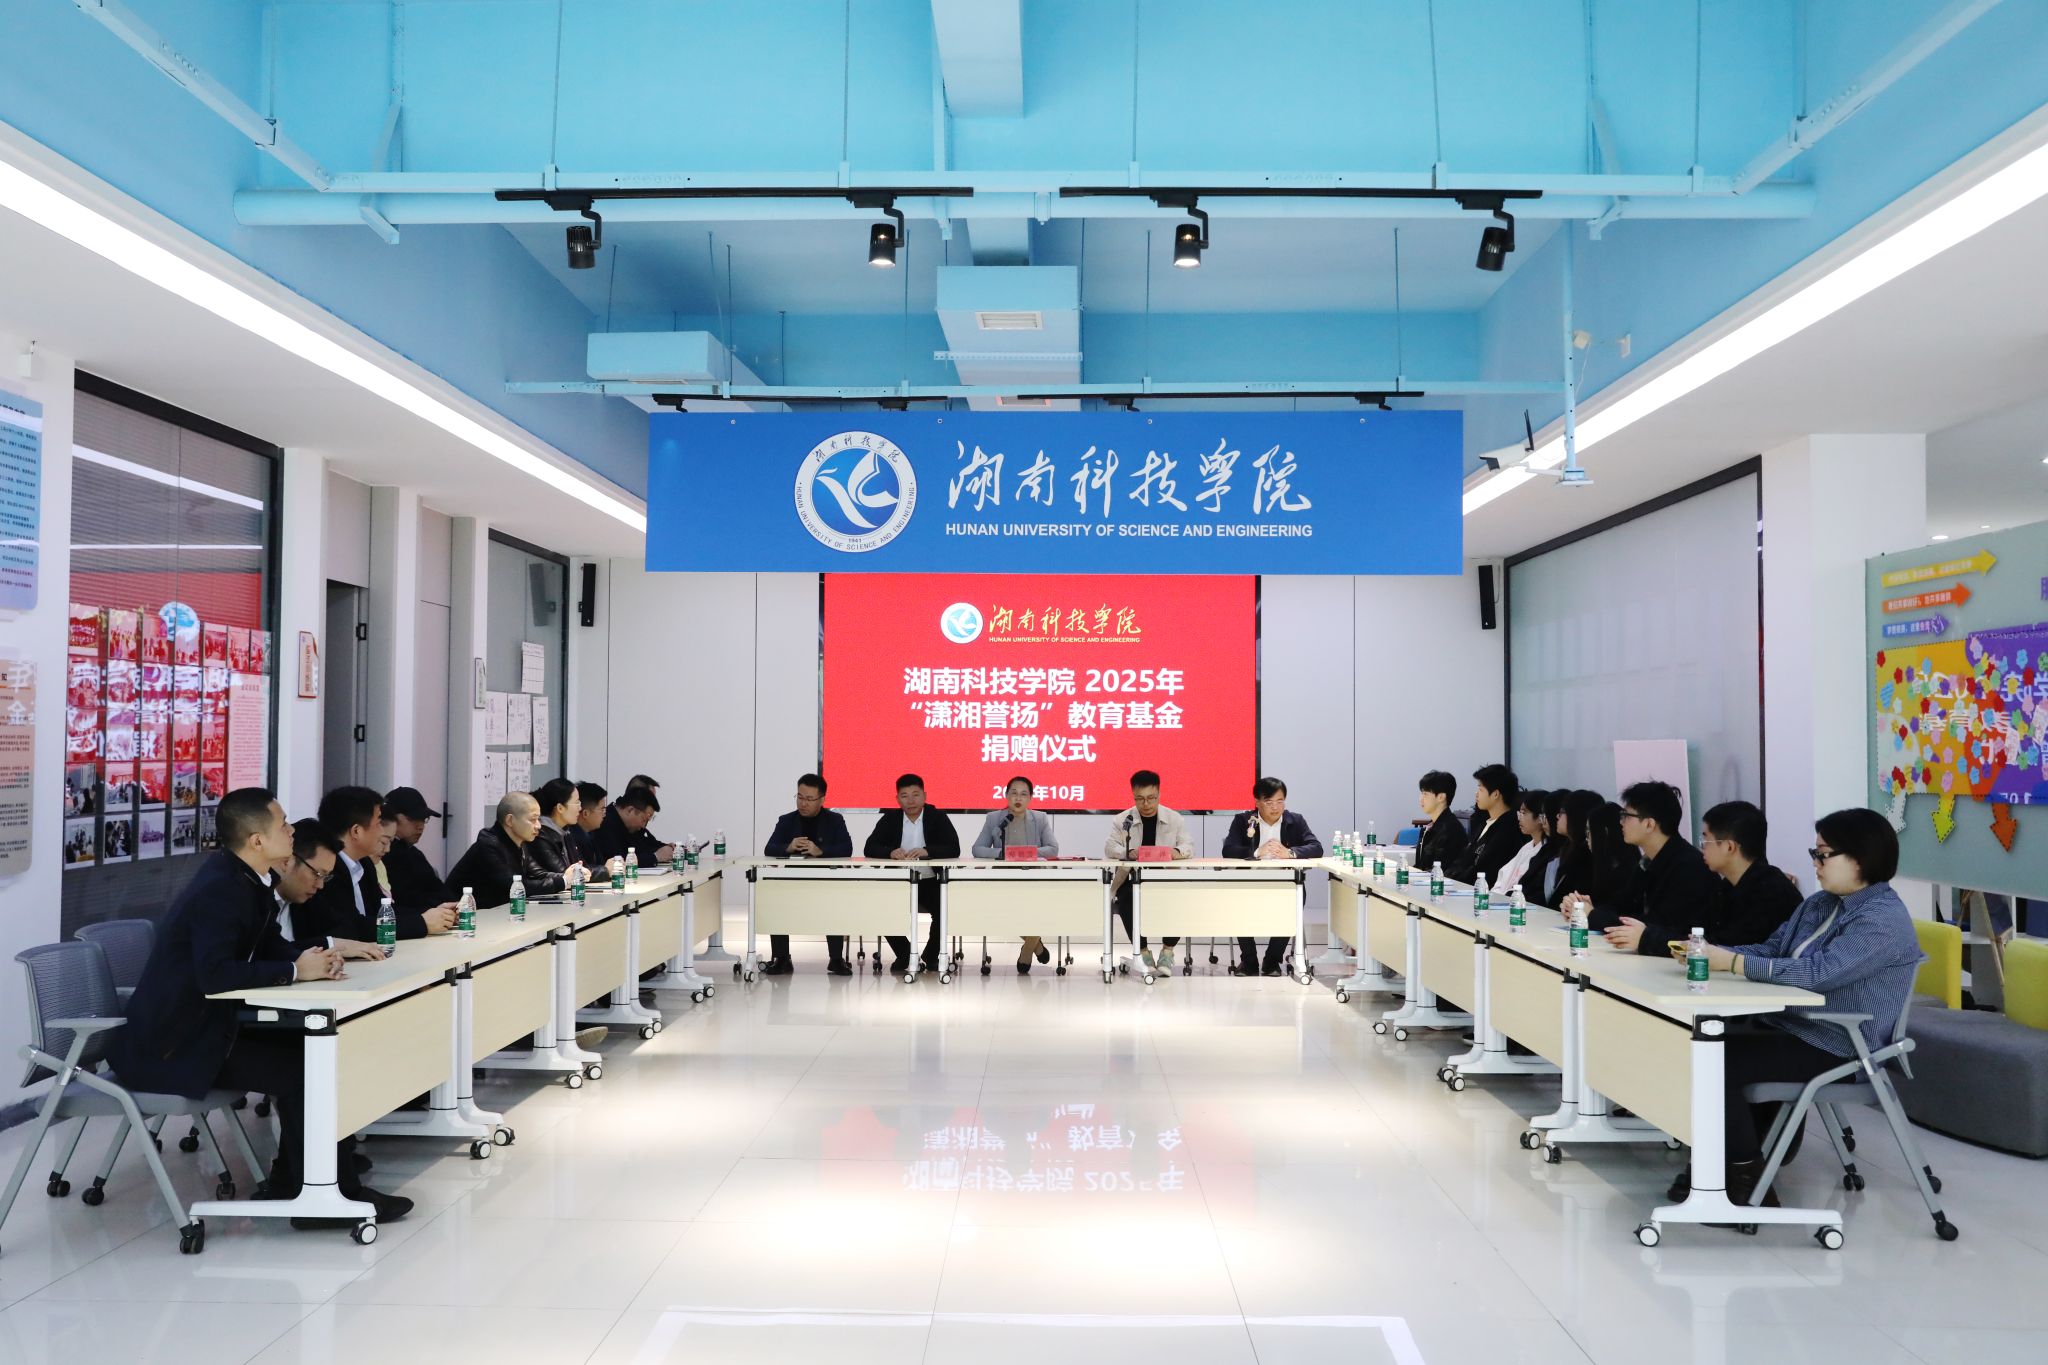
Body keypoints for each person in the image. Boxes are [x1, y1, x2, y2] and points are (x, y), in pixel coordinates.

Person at [110, 787, 411, 1228]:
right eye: (283, 825)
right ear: (256, 840)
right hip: (175, 1043)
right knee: (307, 1069)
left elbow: (271, 946)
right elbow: (216, 975)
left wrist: (311, 961)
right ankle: (327, 1197)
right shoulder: (221, 889)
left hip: (210, 1027)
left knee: (325, 1050)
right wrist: (294, 972)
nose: (291, 831)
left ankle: (298, 1183)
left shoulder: (249, 881)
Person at [1677, 808, 1924, 1213]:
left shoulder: (1882, 920)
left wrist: (1733, 963)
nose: (1815, 863)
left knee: (1715, 1062)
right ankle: (1714, 1167)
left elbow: (1817, 974)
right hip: (1791, 1025)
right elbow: (1773, 949)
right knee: (1695, 1044)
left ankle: (1747, 1181)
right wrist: (1711, 953)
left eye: (1824, 854)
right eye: (1816, 853)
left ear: (1860, 859)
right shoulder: (1820, 904)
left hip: (1840, 1044)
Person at [304, 786, 456, 943]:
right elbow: (353, 927)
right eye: (378, 823)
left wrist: (433, 914)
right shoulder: (328, 871)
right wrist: (422, 922)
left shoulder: (364, 864)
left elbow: (383, 912)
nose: (381, 830)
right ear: (356, 831)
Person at [1593, 781, 1724, 949]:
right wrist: (1589, 911)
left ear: (1649, 824)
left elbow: (1658, 926)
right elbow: (1622, 905)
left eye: (1626, 816)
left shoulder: (1689, 867)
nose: (1621, 822)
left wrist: (1593, 915)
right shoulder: (1647, 861)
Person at [1222, 776, 1323, 976]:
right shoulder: (1243, 820)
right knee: (1236, 900)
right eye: (1269, 802)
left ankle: (1272, 960)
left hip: (1285, 883)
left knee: (1295, 900)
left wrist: (1290, 853)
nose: (1275, 807)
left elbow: (1316, 847)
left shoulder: (1295, 821)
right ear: (1257, 802)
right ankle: (1249, 961)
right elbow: (1228, 850)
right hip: (1248, 882)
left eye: (1280, 801)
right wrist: (1256, 852)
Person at [863, 772, 961, 974]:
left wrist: (928, 851)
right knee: (882, 911)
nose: (911, 801)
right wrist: (890, 852)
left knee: (945, 911)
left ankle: (931, 957)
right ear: (897, 799)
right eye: (905, 796)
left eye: (916, 795)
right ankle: (907, 955)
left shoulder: (937, 817)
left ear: (925, 796)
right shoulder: (890, 819)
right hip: (900, 882)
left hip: (930, 880)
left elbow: (953, 848)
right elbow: (870, 847)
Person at [762, 773, 854, 975]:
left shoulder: (835, 820)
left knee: (835, 901)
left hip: (826, 879)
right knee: (776, 900)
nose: (803, 803)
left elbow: (846, 848)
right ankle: (782, 958)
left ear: (822, 799)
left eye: (809, 799)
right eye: (800, 797)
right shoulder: (786, 820)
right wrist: (788, 847)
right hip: (791, 880)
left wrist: (820, 851)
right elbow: (769, 848)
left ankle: (836, 959)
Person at [970, 775, 1062, 973]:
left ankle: (1027, 949)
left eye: (1023, 794)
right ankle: (1036, 944)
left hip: (1035, 877)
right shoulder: (994, 818)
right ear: (1006, 795)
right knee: (1005, 913)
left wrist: (1025, 853)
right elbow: (977, 849)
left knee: (1038, 909)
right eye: (1013, 793)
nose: (1018, 798)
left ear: (1030, 798)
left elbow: (1053, 848)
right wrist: (1002, 854)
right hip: (1002, 879)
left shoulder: (1040, 818)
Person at [1107, 769, 1194, 971]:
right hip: (1131, 879)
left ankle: (1167, 951)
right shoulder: (1123, 820)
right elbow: (1110, 847)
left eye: (1151, 798)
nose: (1146, 804)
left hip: (1165, 879)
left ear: (1159, 794)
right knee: (1127, 897)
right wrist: (1128, 852)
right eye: (1140, 799)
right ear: (1133, 796)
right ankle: (1142, 952)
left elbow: (1188, 845)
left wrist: (1176, 852)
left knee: (1181, 898)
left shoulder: (1174, 818)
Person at [267, 819, 385, 963]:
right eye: (317, 874)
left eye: (325, 877)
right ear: (288, 861)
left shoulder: (306, 899)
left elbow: (348, 928)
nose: (320, 885)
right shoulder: (255, 897)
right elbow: (266, 953)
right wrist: (330, 945)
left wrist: (329, 953)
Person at [445, 792, 558, 906]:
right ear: (510, 820)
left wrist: (564, 878)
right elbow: (514, 887)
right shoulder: (489, 844)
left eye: (538, 819)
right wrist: (561, 882)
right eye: (533, 819)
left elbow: (536, 873)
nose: (538, 826)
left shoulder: (519, 841)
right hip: (463, 913)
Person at [1552, 791, 1635, 911]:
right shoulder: (1609, 865)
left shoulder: (1624, 873)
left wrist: (1591, 911)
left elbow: (1617, 913)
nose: (1587, 839)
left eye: (1589, 832)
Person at [1445, 764, 1523, 888]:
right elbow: (1465, 859)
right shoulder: (1484, 823)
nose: (1476, 794)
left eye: (1481, 789)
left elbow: (1485, 869)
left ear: (1495, 794)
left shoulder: (1508, 829)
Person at [379, 786, 446, 911]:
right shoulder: (381, 855)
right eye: (413, 818)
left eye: (424, 819)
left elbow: (437, 888)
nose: (421, 826)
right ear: (390, 818)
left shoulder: (414, 853)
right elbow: (404, 899)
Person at [1490, 789, 1552, 901]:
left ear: (1540, 818)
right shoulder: (1527, 847)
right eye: (1519, 813)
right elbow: (1503, 876)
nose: (1519, 818)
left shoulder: (1547, 851)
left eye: (1524, 813)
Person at [592, 786, 672, 870]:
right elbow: (617, 859)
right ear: (630, 810)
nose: (643, 825)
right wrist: (655, 857)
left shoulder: (632, 827)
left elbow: (646, 846)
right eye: (644, 820)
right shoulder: (604, 822)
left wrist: (667, 848)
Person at [529, 777, 587, 885]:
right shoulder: (540, 835)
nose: (580, 808)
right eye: (577, 802)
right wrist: (605, 870)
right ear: (560, 808)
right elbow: (564, 873)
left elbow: (581, 866)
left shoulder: (565, 831)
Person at [1412, 770, 1469, 874]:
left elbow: (1441, 871)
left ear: (1441, 797)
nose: (1421, 799)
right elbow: (1422, 865)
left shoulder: (1451, 830)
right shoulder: (1431, 827)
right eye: (1421, 794)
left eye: (1425, 794)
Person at [567, 781, 607, 866]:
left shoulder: (592, 834)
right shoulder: (571, 838)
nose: (604, 814)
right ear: (585, 813)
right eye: (602, 809)